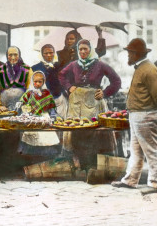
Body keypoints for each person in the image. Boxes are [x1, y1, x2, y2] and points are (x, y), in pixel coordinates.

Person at [59, 39, 121, 168]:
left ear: (90, 50)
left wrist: (105, 92)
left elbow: (116, 81)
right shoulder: (74, 65)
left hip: (93, 102)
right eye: (80, 49)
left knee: (93, 131)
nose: (82, 52)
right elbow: (61, 75)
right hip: (76, 103)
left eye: (85, 49)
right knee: (76, 131)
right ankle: (80, 164)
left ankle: (93, 165)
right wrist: (69, 87)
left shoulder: (100, 65)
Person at [111, 38, 157, 195]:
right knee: (136, 150)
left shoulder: (149, 70)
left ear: (137, 54)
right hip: (138, 115)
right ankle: (130, 180)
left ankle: (155, 182)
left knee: (151, 149)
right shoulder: (142, 68)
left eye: (130, 53)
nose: (128, 56)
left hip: (145, 115)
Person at [17, 71, 60, 157]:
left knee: (46, 136)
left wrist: (53, 116)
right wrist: (20, 103)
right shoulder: (29, 93)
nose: (37, 83)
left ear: (43, 82)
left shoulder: (47, 93)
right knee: (32, 136)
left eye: (40, 82)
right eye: (35, 81)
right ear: (32, 81)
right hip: (32, 117)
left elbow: (52, 106)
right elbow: (22, 100)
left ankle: (46, 155)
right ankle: (32, 156)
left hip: (44, 117)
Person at [31, 44, 67, 119]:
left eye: (51, 53)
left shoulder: (59, 66)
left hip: (59, 99)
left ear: (54, 53)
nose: (49, 55)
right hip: (42, 101)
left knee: (61, 122)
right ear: (42, 54)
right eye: (46, 53)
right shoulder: (35, 68)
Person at [0, 46, 33, 111]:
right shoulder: (0, 70)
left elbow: (30, 88)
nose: (13, 57)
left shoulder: (27, 69)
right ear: (7, 56)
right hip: (4, 106)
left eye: (15, 55)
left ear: (19, 55)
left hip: (22, 105)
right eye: (10, 55)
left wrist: (25, 104)